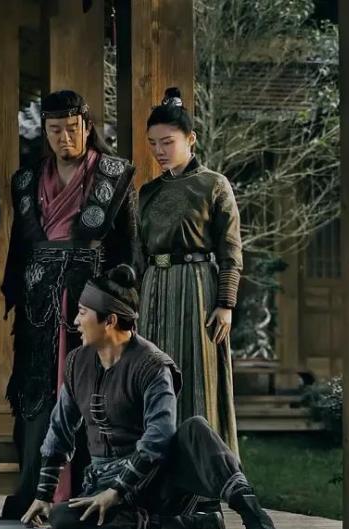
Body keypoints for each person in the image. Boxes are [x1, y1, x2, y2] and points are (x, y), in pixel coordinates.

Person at [20, 266, 279, 529]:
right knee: (62, 519)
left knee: (197, 429)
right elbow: (60, 430)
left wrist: (118, 490)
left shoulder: (153, 365)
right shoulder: (76, 363)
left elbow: (159, 435)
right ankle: (189, 525)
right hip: (102, 482)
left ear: (110, 321)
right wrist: (44, 495)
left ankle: (254, 515)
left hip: (155, 483)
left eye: (83, 313)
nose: (75, 321)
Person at [1, 90, 139, 518]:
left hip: (91, 296)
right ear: (45, 132)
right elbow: (20, 245)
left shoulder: (113, 174)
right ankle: (34, 488)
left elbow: (128, 246)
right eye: (55, 130)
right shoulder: (27, 180)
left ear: (87, 126)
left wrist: (119, 302)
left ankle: (85, 486)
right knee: (37, 388)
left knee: (89, 385)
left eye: (72, 128)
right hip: (40, 297)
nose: (64, 138)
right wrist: (15, 291)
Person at [137, 87, 242, 454]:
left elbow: (230, 249)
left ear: (191, 139)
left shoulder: (213, 184)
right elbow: (138, 253)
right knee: (154, 377)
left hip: (196, 289)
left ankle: (203, 472)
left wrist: (226, 303)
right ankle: (155, 470)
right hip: (153, 289)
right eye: (153, 143)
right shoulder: (148, 192)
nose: (159, 151)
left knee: (198, 377)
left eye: (167, 142)